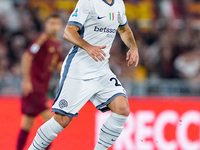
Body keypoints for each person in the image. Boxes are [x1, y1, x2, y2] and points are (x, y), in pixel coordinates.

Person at [28, 0, 139, 149]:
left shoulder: (119, 4)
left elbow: (124, 29)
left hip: (101, 70)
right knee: (62, 120)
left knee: (122, 108)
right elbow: (68, 31)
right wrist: (88, 47)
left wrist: (133, 47)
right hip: (79, 69)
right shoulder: (88, 2)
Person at [16, 14, 63, 150]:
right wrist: (26, 81)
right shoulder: (42, 40)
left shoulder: (57, 44)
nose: (54, 26)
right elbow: (27, 57)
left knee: (27, 124)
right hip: (34, 88)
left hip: (41, 89)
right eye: (51, 23)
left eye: (57, 24)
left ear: (60, 26)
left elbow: (59, 66)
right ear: (46, 25)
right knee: (50, 124)